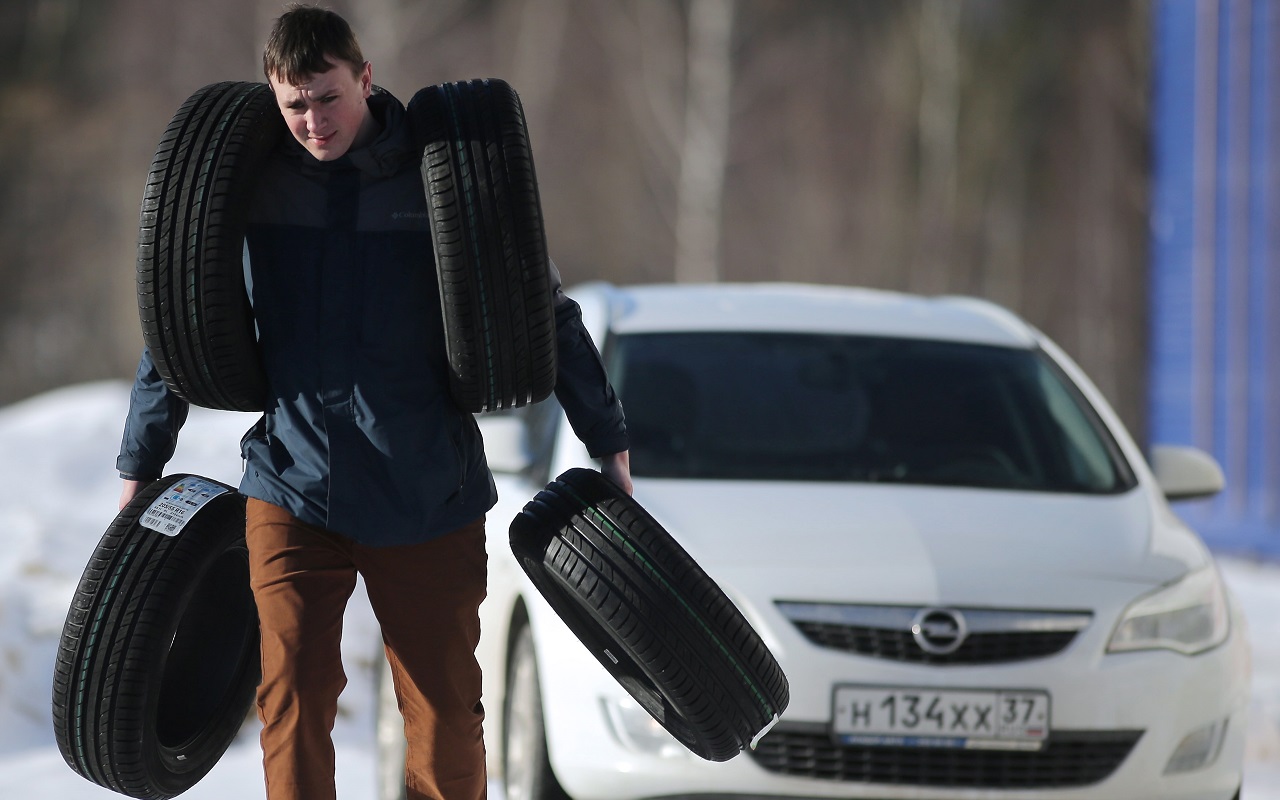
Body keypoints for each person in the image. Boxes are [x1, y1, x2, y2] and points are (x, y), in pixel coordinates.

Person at [115, 5, 631, 800]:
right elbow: (182, 322)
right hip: (293, 483)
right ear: (273, 97)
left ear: (364, 78)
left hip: (426, 493)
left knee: (443, 716)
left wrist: (605, 435)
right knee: (291, 698)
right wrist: (141, 461)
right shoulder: (251, 187)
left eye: (328, 97)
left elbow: (542, 310)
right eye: (295, 104)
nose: (313, 121)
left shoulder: (442, 176)